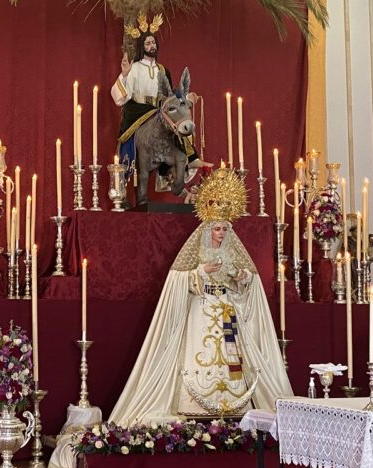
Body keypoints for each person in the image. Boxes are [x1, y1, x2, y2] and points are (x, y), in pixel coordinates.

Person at [109, 170, 293, 424]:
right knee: (201, 352)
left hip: (227, 311)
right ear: (208, 230)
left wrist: (240, 276)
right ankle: (194, 404)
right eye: (217, 229)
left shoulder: (233, 251)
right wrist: (200, 272)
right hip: (202, 310)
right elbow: (177, 279)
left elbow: (250, 280)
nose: (221, 233)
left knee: (232, 357)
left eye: (224, 229)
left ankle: (232, 404)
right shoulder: (196, 251)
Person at [111, 12, 209, 195]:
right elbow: (120, 98)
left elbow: (170, 95)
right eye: (148, 43)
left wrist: (185, 99)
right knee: (133, 136)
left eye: (153, 42)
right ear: (142, 46)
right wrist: (124, 75)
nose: (151, 45)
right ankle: (129, 163)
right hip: (138, 110)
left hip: (158, 109)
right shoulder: (135, 68)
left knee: (179, 121)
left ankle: (189, 158)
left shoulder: (163, 70)